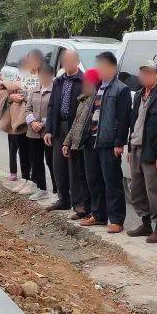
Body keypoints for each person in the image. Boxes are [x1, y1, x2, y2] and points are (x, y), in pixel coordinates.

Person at [78, 52, 131, 233]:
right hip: (92, 140)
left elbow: (124, 120)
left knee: (112, 182)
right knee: (94, 179)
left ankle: (116, 219)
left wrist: (119, 143)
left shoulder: (121, 89)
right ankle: (98, 214)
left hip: (108, 142)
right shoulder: (98, 87)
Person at [126, 58, 157, 243]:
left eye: (149, 72)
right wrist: (130, 147)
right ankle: (145, 223)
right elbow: (134, 122)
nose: (146, 75)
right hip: (136, 146)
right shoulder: (139, 94)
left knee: (154, 190)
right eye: (143, 72)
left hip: (153, 151)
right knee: (136, 189)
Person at [44, 48, 84, 213]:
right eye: (64, 61)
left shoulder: (84, 81)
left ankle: (79, 203)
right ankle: (63, 199)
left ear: (76, 62)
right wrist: (48, 130)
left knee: (75, 167)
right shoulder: (59, 81)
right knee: (58, 165)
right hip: (59, 126)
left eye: (70, 61)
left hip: (75, 126)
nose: (67, 64)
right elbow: (52, 105)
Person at [0, 50, 44, 194]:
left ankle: (34, 182)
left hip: (34, 121)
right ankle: (25, 179)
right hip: (19, 118)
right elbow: (9, 91)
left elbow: (36, 95)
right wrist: (12, 96)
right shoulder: (23, 75)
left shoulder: (44, 76)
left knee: (34, 154)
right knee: (23, 152)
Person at [62, 68, 100, 220]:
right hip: (77, 144)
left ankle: (93, 211)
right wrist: (67, 142)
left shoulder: (95, 101)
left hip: (88, 144)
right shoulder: (83, 99)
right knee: (82, 178)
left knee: (91, 179)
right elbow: (76, 123)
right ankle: (85, 208)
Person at [23, 63, 55, 201]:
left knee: (51, 161)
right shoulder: (34, 90)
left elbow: (55, 110)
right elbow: (27, 108)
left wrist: (43, 123)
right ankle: (41, 188)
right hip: (33, 132)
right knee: (36, 161)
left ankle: (58, 190)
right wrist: (32, 122)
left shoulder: (55, 90)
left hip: (47, 133)